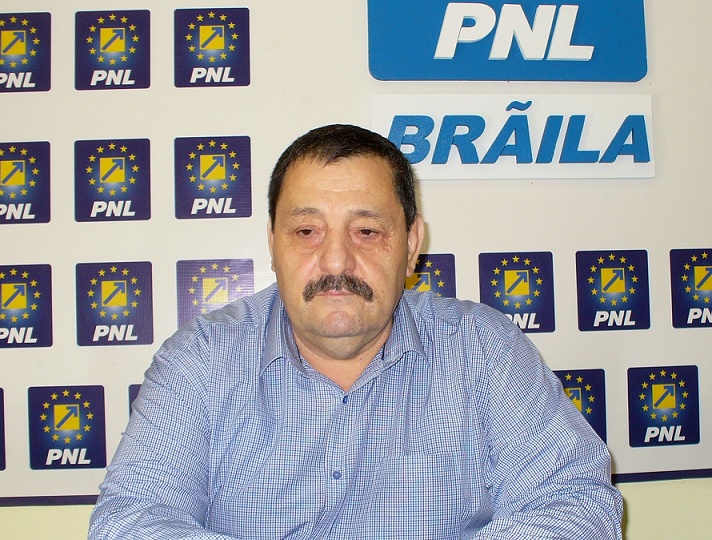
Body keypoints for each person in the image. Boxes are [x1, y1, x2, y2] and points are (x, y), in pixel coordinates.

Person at [89, 124, 623, 539]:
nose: (336, 261)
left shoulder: (482, 348)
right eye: (306, 231)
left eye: (367, 231)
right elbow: (131, 522)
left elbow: (577, 503)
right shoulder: (201, 359)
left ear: (411, 244)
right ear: (273, 243)